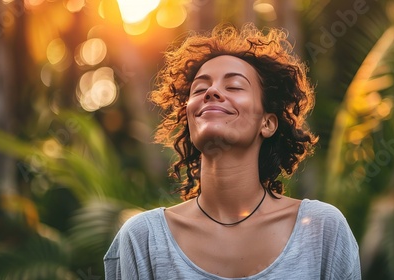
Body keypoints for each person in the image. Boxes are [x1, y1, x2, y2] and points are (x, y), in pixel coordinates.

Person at [104, 23, 361, 279]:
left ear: (268, 123)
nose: (212, 92)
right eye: (200, 89)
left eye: (234, 86)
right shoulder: (143, 240)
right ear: (190, 118)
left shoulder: (322, 230)